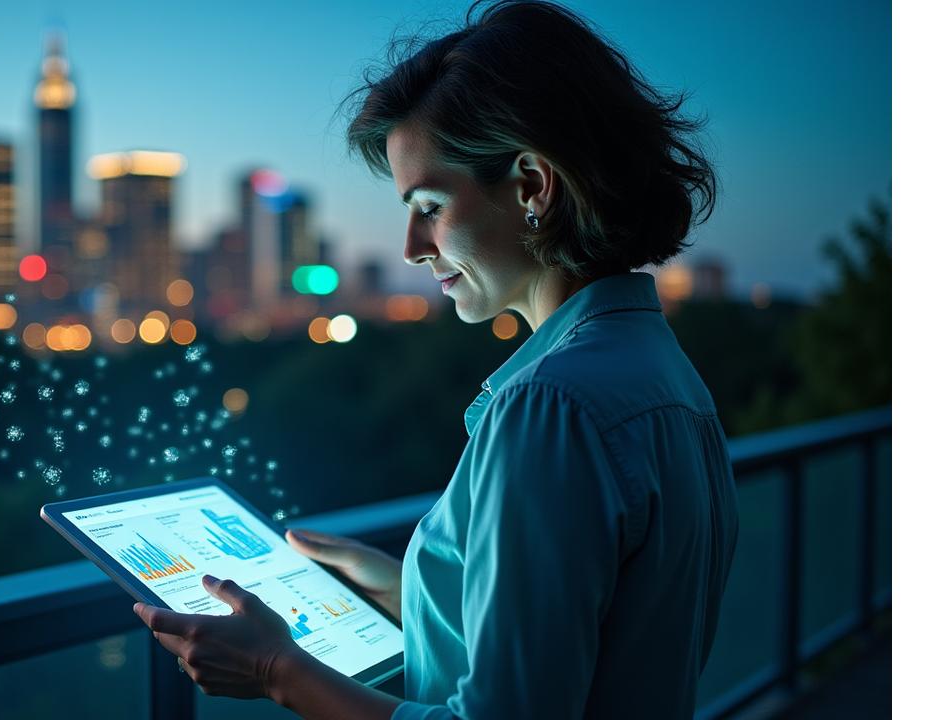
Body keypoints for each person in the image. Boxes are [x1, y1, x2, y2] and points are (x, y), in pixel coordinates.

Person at [132, 1, 738, 717]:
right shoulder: (662, 371)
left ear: (532, 186)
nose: (413, 247)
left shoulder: (550, 406)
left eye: (429, 206)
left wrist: (275, 669)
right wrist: (413, 588)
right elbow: (602, 619)